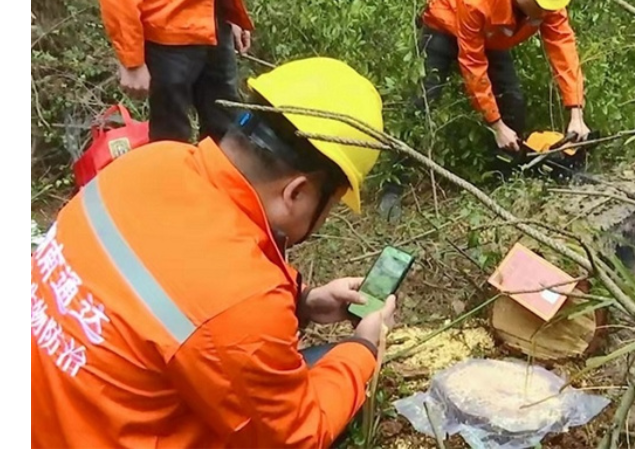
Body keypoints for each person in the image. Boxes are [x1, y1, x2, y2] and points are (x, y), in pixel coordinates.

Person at [31, 57, 396, 449]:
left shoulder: (150, 161)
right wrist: (363, 349)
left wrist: (302, 304)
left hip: (60, 418)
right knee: (331, 378)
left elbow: (177, 295)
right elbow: (297, 435)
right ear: (298, 192)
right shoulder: (241, 298)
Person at [379, 0, 589, 218]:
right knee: (422, 104)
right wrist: (495, 124)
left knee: (512, 101)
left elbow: (563, 48)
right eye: (540, 7)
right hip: (446, 21)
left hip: (492, 35)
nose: (545, 13)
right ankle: (392, 188)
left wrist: (575, 111)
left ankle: (502, 182)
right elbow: (472, 62)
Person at [93, 0, 255, 144]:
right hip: (165, 38)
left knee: (228, 136)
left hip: (213, 25)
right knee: (170, 140)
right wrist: (131, 57)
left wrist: (228, 8)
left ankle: (219, 177)